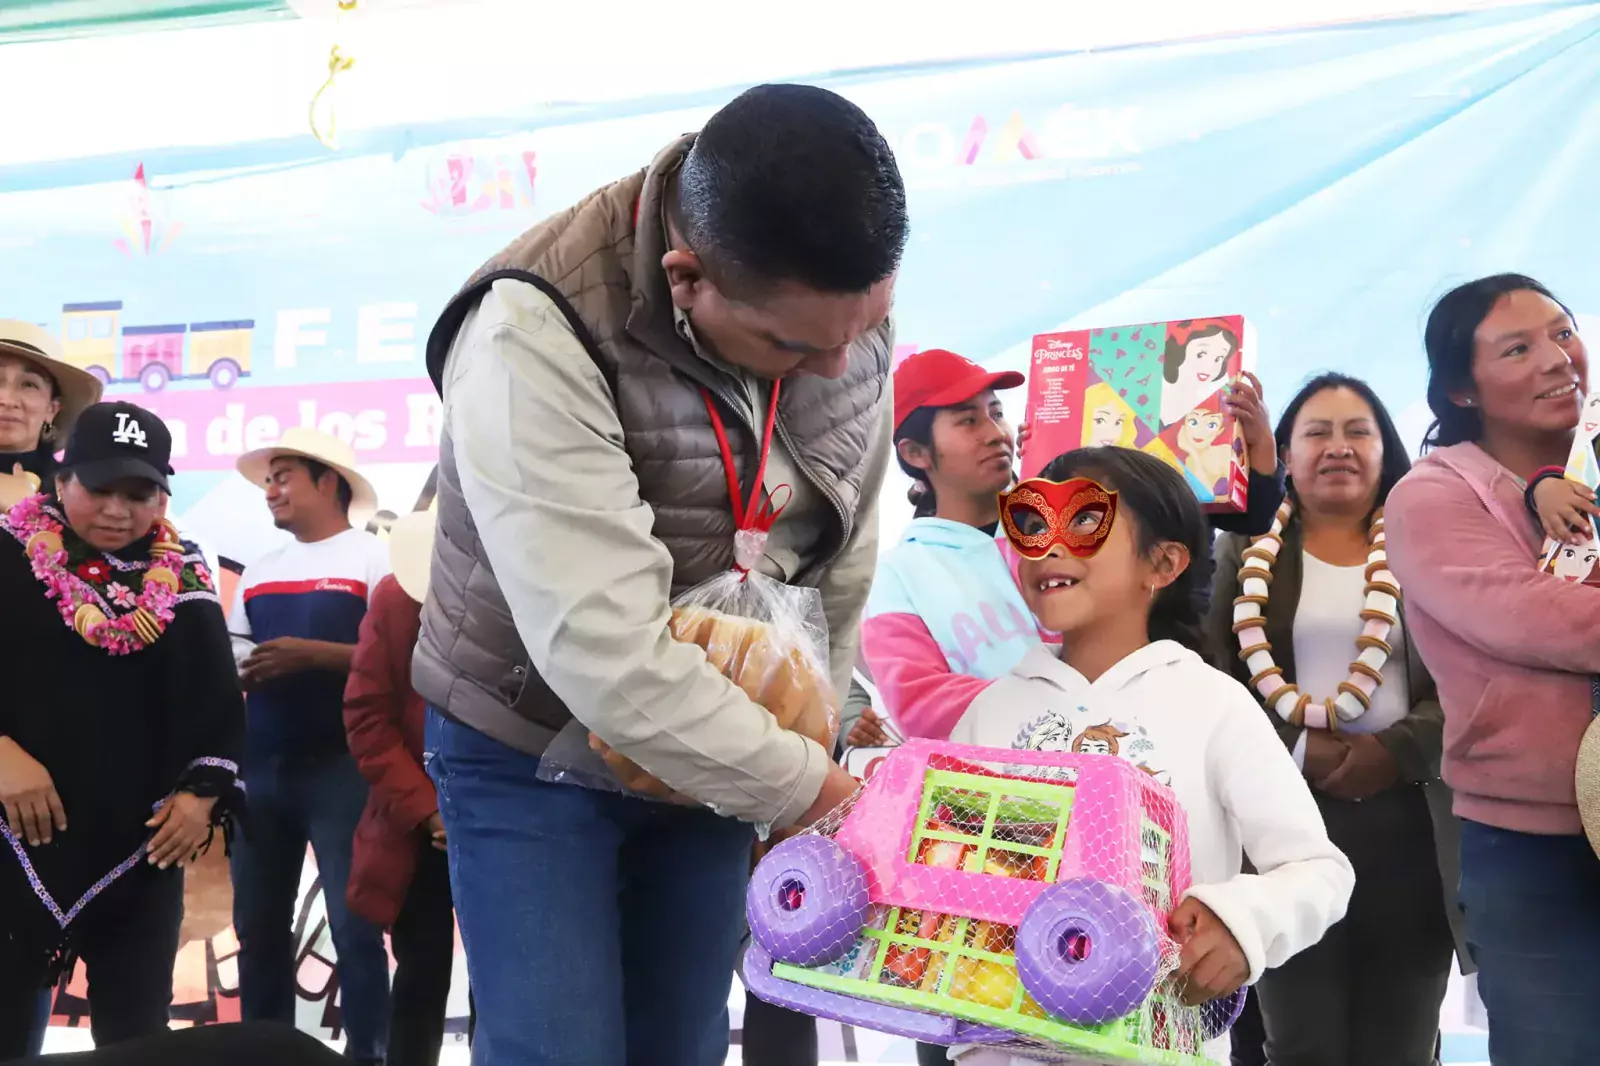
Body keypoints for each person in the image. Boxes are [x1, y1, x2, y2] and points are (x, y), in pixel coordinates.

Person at [414, 83, 903, 1066]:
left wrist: (809, 732)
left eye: (868, 326)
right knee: (559, 1047)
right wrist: (810, 790)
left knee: (680, 1042)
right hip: (530, 730)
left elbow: (839, 550)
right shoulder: (531, 325)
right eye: (794, 346)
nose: (839, 364)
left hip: (729, 738)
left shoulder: (829, 309)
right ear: (686, 279)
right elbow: (601, 649)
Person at [949, 446, 1353, 1066]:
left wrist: (1239, 924)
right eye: (1033, 523)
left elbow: (1320, 871)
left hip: (1160, 1048)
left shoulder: (1214, 704)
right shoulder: (989, 712)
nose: (1049, 545)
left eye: (1084, 519)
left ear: (1162, 563)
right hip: (1002, 1048)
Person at [1208, 374, 1464, 1066]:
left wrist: (1397, 751)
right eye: (1316, 433)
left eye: (1359, 432)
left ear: (1388, 451)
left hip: (1410, 819)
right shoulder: (1245, 551)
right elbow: (1216, 673)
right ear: (1284, 453)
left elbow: (1470, 675)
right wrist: (1293, 747)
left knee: (1402, 1042)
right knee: (1301, 1042)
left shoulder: (1430, 548)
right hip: (1284, 823)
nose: (1339, 448)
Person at [1383, 274, 1599, 1066]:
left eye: (1563, 331)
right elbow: (1532, 616)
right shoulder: (1433, 497)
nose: (1557, 359)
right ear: (1461, 391)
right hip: (1535, 842)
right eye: (1518, 348)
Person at [0, 401, 243, 1058]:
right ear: (59, 481)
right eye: (98, 487)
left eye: (139, 493)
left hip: (143, 852)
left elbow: (215, 704)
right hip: (10, 844)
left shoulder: (185, 573)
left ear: (164, 496)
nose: (116, 509)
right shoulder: (5, 551)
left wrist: (199, 797)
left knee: (137, 1038)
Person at [227, 427, 392, 1065]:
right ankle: (258, 1053)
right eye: (268, 480)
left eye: (284, 475)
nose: (271, 491)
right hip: (261, 768)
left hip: (345, 768)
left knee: (356, 929)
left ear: (330, 483)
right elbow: (236, 653)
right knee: (257, 929)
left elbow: (398, 660)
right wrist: (244, 666)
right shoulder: (260, 570)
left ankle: (368, 1055)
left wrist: (312, 656)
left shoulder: (372, 557)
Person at [343, 506, 473, 1066]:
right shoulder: (396, 602)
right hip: (418, 832)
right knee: (419, 980)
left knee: (511, 982)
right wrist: (429, 810)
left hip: (512, 824)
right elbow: (367, 717)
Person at [858, 348, 1034, 744]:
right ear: (915, 453)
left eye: (996, 412)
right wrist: (1071, 701)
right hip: (1007, 794)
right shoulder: (897, 574)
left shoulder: (1057, 531)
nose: (995, 433)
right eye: (968, 421)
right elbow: (920, 705)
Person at [0, 320, 102, 511]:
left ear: (52, 409)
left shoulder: (74, 493)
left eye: (29, 384)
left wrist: (29, 512)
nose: (7, 400)